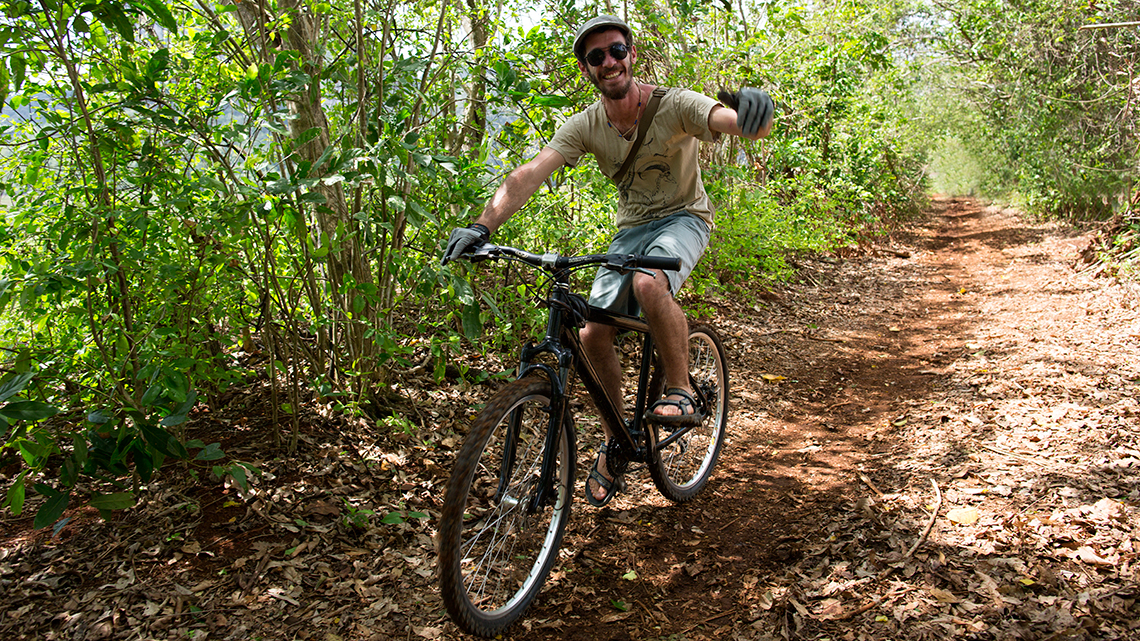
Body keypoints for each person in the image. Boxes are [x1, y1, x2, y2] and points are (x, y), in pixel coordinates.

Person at [441, 15, 773, 506]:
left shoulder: (673, 104)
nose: (609, 62)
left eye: (616, 50)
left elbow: (729, 121)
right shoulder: (586, 126)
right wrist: (482, 226)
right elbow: (531, 173)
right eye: (596, 57)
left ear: (631, 54)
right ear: (587, 70)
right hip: (631, 230)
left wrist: (751, 115)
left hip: (684, 218)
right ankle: (616, 439)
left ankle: (679, 388)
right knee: (592, 331)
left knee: (647, 283)